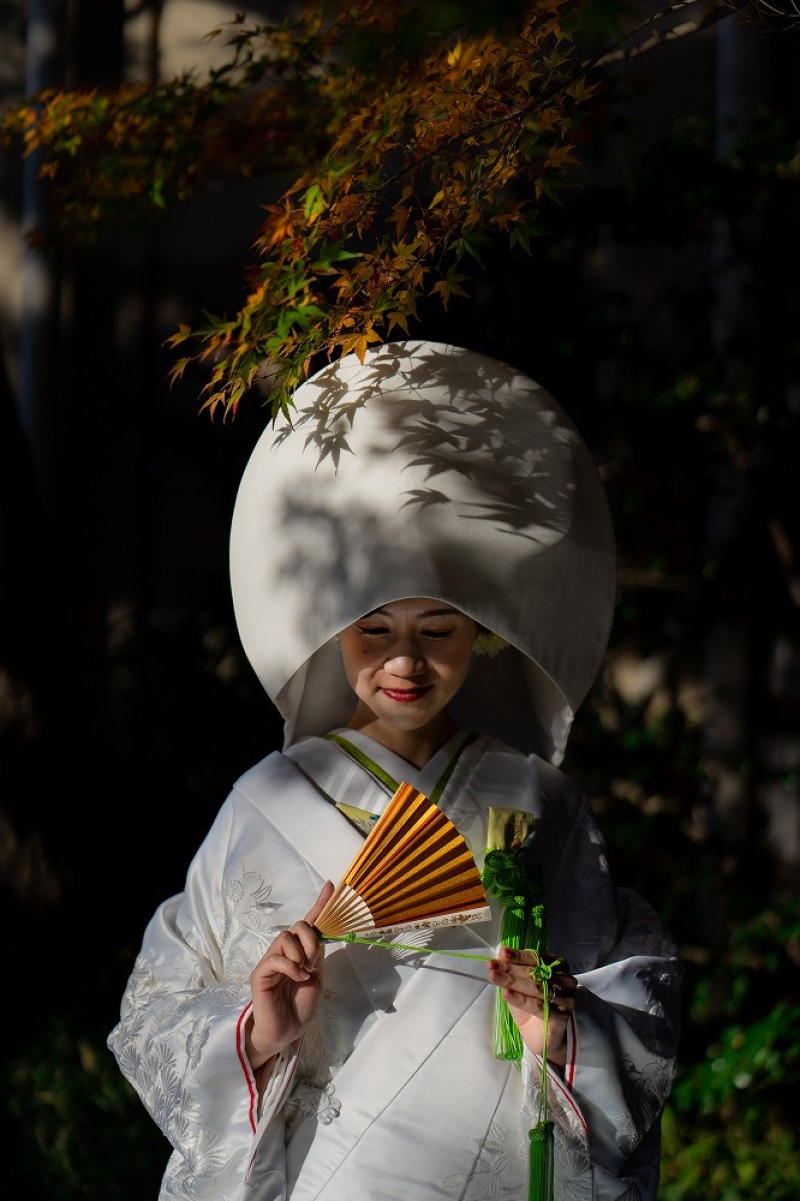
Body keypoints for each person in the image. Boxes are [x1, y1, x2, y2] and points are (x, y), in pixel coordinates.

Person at [108, 340, 680, 1201]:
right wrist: (259, 1030)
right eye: (373, 629)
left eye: (437, 631)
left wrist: (563, 1031)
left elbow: (639, 995)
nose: (403, 662)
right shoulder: (267, 802)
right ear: (334, 632)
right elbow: (155, 1009)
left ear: (480, 634)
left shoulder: (540, 802)